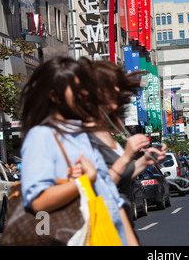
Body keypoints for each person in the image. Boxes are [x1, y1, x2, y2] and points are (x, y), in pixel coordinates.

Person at [19, 56, 139, 246]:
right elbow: (38, 202)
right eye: (75, 88)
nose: (84, 92)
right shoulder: (42, 136)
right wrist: (85, 180)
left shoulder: (81, 135)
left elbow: (113, 200)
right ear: (54, 96)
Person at [79, 58, 167, 223]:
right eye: (110, 86)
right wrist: (127, 156)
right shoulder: (83, 135)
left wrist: (144, 161)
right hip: (103, 227)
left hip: (121, 223)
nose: (117, 90)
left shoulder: (104, 130)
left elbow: (121, 177)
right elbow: (98, 187)